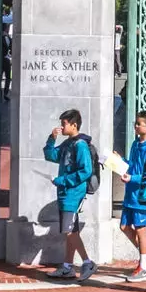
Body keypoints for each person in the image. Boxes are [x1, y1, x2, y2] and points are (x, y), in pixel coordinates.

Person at [42, 109, 99, 281]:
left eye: (64, 123)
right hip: (66, 193)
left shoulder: (80, 145)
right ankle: (67, 267)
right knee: (71, 230)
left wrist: (63, 180)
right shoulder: (68, 144)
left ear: (74, 125)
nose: (62, 127)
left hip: (73, 194)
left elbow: (86, 171)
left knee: (69, 232)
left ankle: (88, 262)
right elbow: (51, 155)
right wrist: (51, 138)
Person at [119, 111, 146, 283]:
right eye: (135, 123)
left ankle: (143, 267)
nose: (136, 126)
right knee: (124, 226)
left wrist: (133, 178)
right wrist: (119, 161)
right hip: (130, 194)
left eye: (139, 124)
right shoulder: (136, 144)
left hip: (142, 195)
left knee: (140, 229)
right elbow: (132, 165)